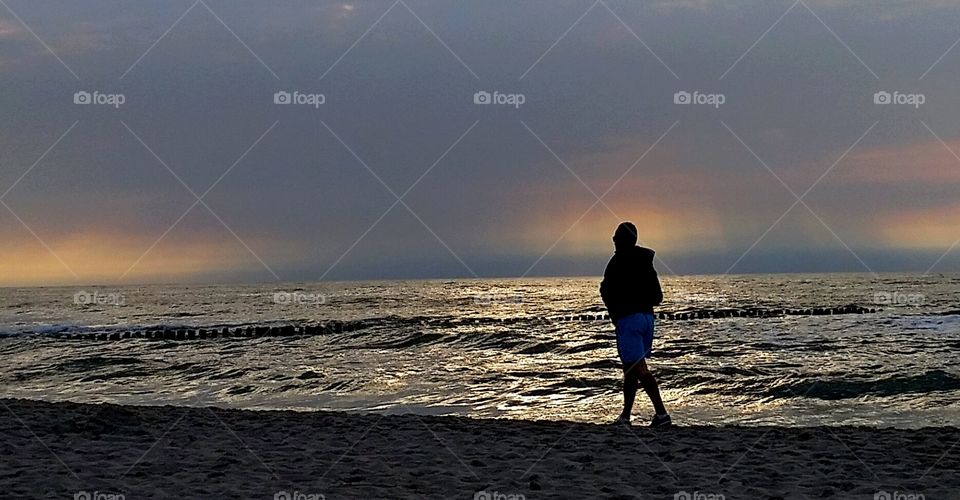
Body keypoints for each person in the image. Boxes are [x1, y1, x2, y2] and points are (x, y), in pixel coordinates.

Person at [599, 222, 670, 427]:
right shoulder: (646, 262)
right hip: (647, 319)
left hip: (629, 320)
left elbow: (605, 290)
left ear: (623, 240)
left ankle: (662, 414)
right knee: (630, 369)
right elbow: (658, 297)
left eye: (616, 237)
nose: (613, 240)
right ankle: (625, 417)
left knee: (638, 369)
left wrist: (616, 311)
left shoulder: (616, 262)